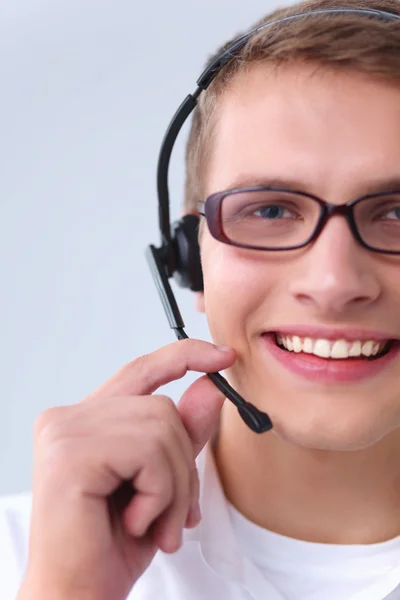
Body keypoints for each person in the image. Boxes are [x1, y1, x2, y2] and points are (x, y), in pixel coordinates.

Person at [2, 0, 400, 598]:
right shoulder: (23, 560)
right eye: (269, 210)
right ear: (189, 258)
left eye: (397, 212)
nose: (335, 283)